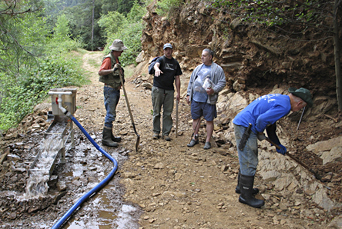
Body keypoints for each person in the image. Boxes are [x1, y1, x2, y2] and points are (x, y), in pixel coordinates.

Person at [232, 87, 313, 208]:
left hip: (243, 123)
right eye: (302, 107)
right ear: (299, 102)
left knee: (247, 157)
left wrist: (277, 143)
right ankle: (245, 196)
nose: (299, 110)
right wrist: (259, 132)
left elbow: (270, 124)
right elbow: (262, 119)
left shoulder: (281, 99)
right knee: (249, 159)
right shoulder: (285, 107)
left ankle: (242, 188)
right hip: (246, 126)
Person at [186, 49, 226, 149]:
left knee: (209, 120)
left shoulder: (217, 69)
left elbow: (222, 82)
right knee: (196, 118)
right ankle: (195, 137)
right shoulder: (198, 68)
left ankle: (208, 141)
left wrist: (214, 90)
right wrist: (188, 94)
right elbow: (191, 82)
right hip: (196, 98)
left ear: (210, 57)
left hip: (209, 99)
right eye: (202, 56)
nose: (202, 57)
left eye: (204, 55)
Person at [98, 39, 127, 147]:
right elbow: (100, 72)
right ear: (116, 50)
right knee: (110, 114)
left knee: (112, 112)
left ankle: (110, 136)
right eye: (121, 50)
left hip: (115, 89)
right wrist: (112, 70)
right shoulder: (108, 59)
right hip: (110, 90)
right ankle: (106, 139)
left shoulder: (116, 59)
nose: (122, 52)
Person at [152, 43, 182, 141]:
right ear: (164, 50)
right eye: (166, 49)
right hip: (158, 89)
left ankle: (166, 133)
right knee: (156, 111)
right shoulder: (161, 59)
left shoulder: (175, 63)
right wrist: (157, 69)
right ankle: (156, 132)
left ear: (172, 51)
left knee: (168, 112)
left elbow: (177, 78)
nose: (168, 51)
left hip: (169, 90)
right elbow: (156, 65)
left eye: (170, 49)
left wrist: (178, 92)